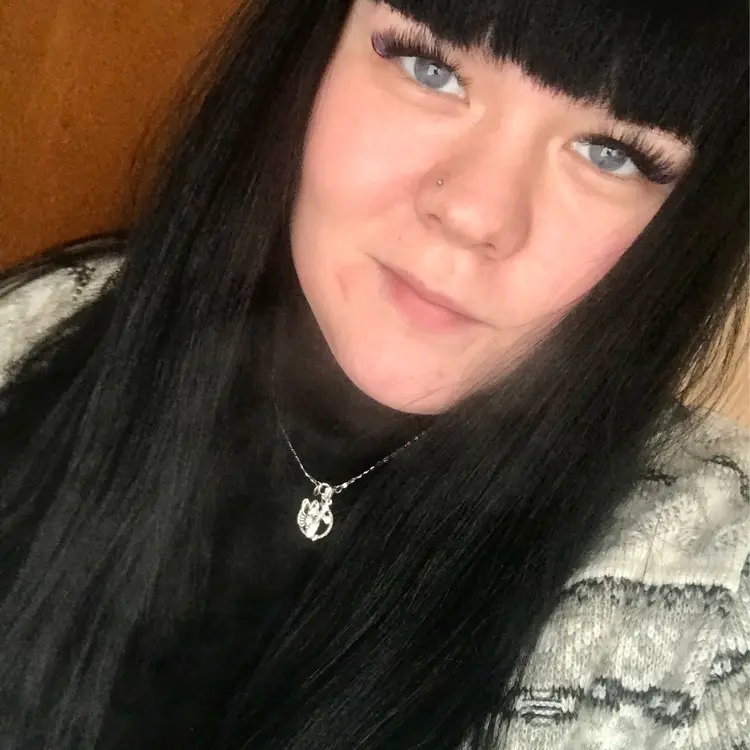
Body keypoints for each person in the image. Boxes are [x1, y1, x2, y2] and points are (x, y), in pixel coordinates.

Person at [0, 0, 747, 747]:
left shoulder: (710, 590)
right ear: (309, 54)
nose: (476, 215)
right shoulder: (32, 328)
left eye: (612, 153)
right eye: (431, 68)